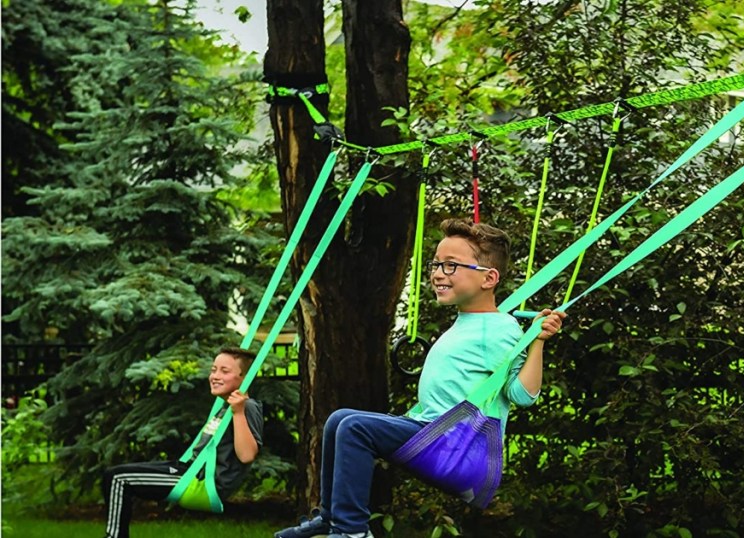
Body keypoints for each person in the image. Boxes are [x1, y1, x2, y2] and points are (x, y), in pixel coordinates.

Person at [274, 218, 566, 538]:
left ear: (489, 278)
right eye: (437, 264)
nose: (438, 273)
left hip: (461, 448)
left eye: (451, 265)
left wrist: (537, 341)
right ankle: (332, 518)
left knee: (355, 428)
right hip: (433, 431)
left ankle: (351, 531)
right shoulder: (468, 320)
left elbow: (521, 395)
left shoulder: (501, 329)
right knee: (339, 420)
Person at [102, 346, 264, 538]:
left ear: (244, 378)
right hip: (187, 471)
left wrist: (238, 412)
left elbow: (247, 455)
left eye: (224, 371)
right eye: (213, 370)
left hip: (201, 482)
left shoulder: (246, 407)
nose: (215, 376)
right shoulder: (225, 405)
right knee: (115, 476)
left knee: (118, 479)